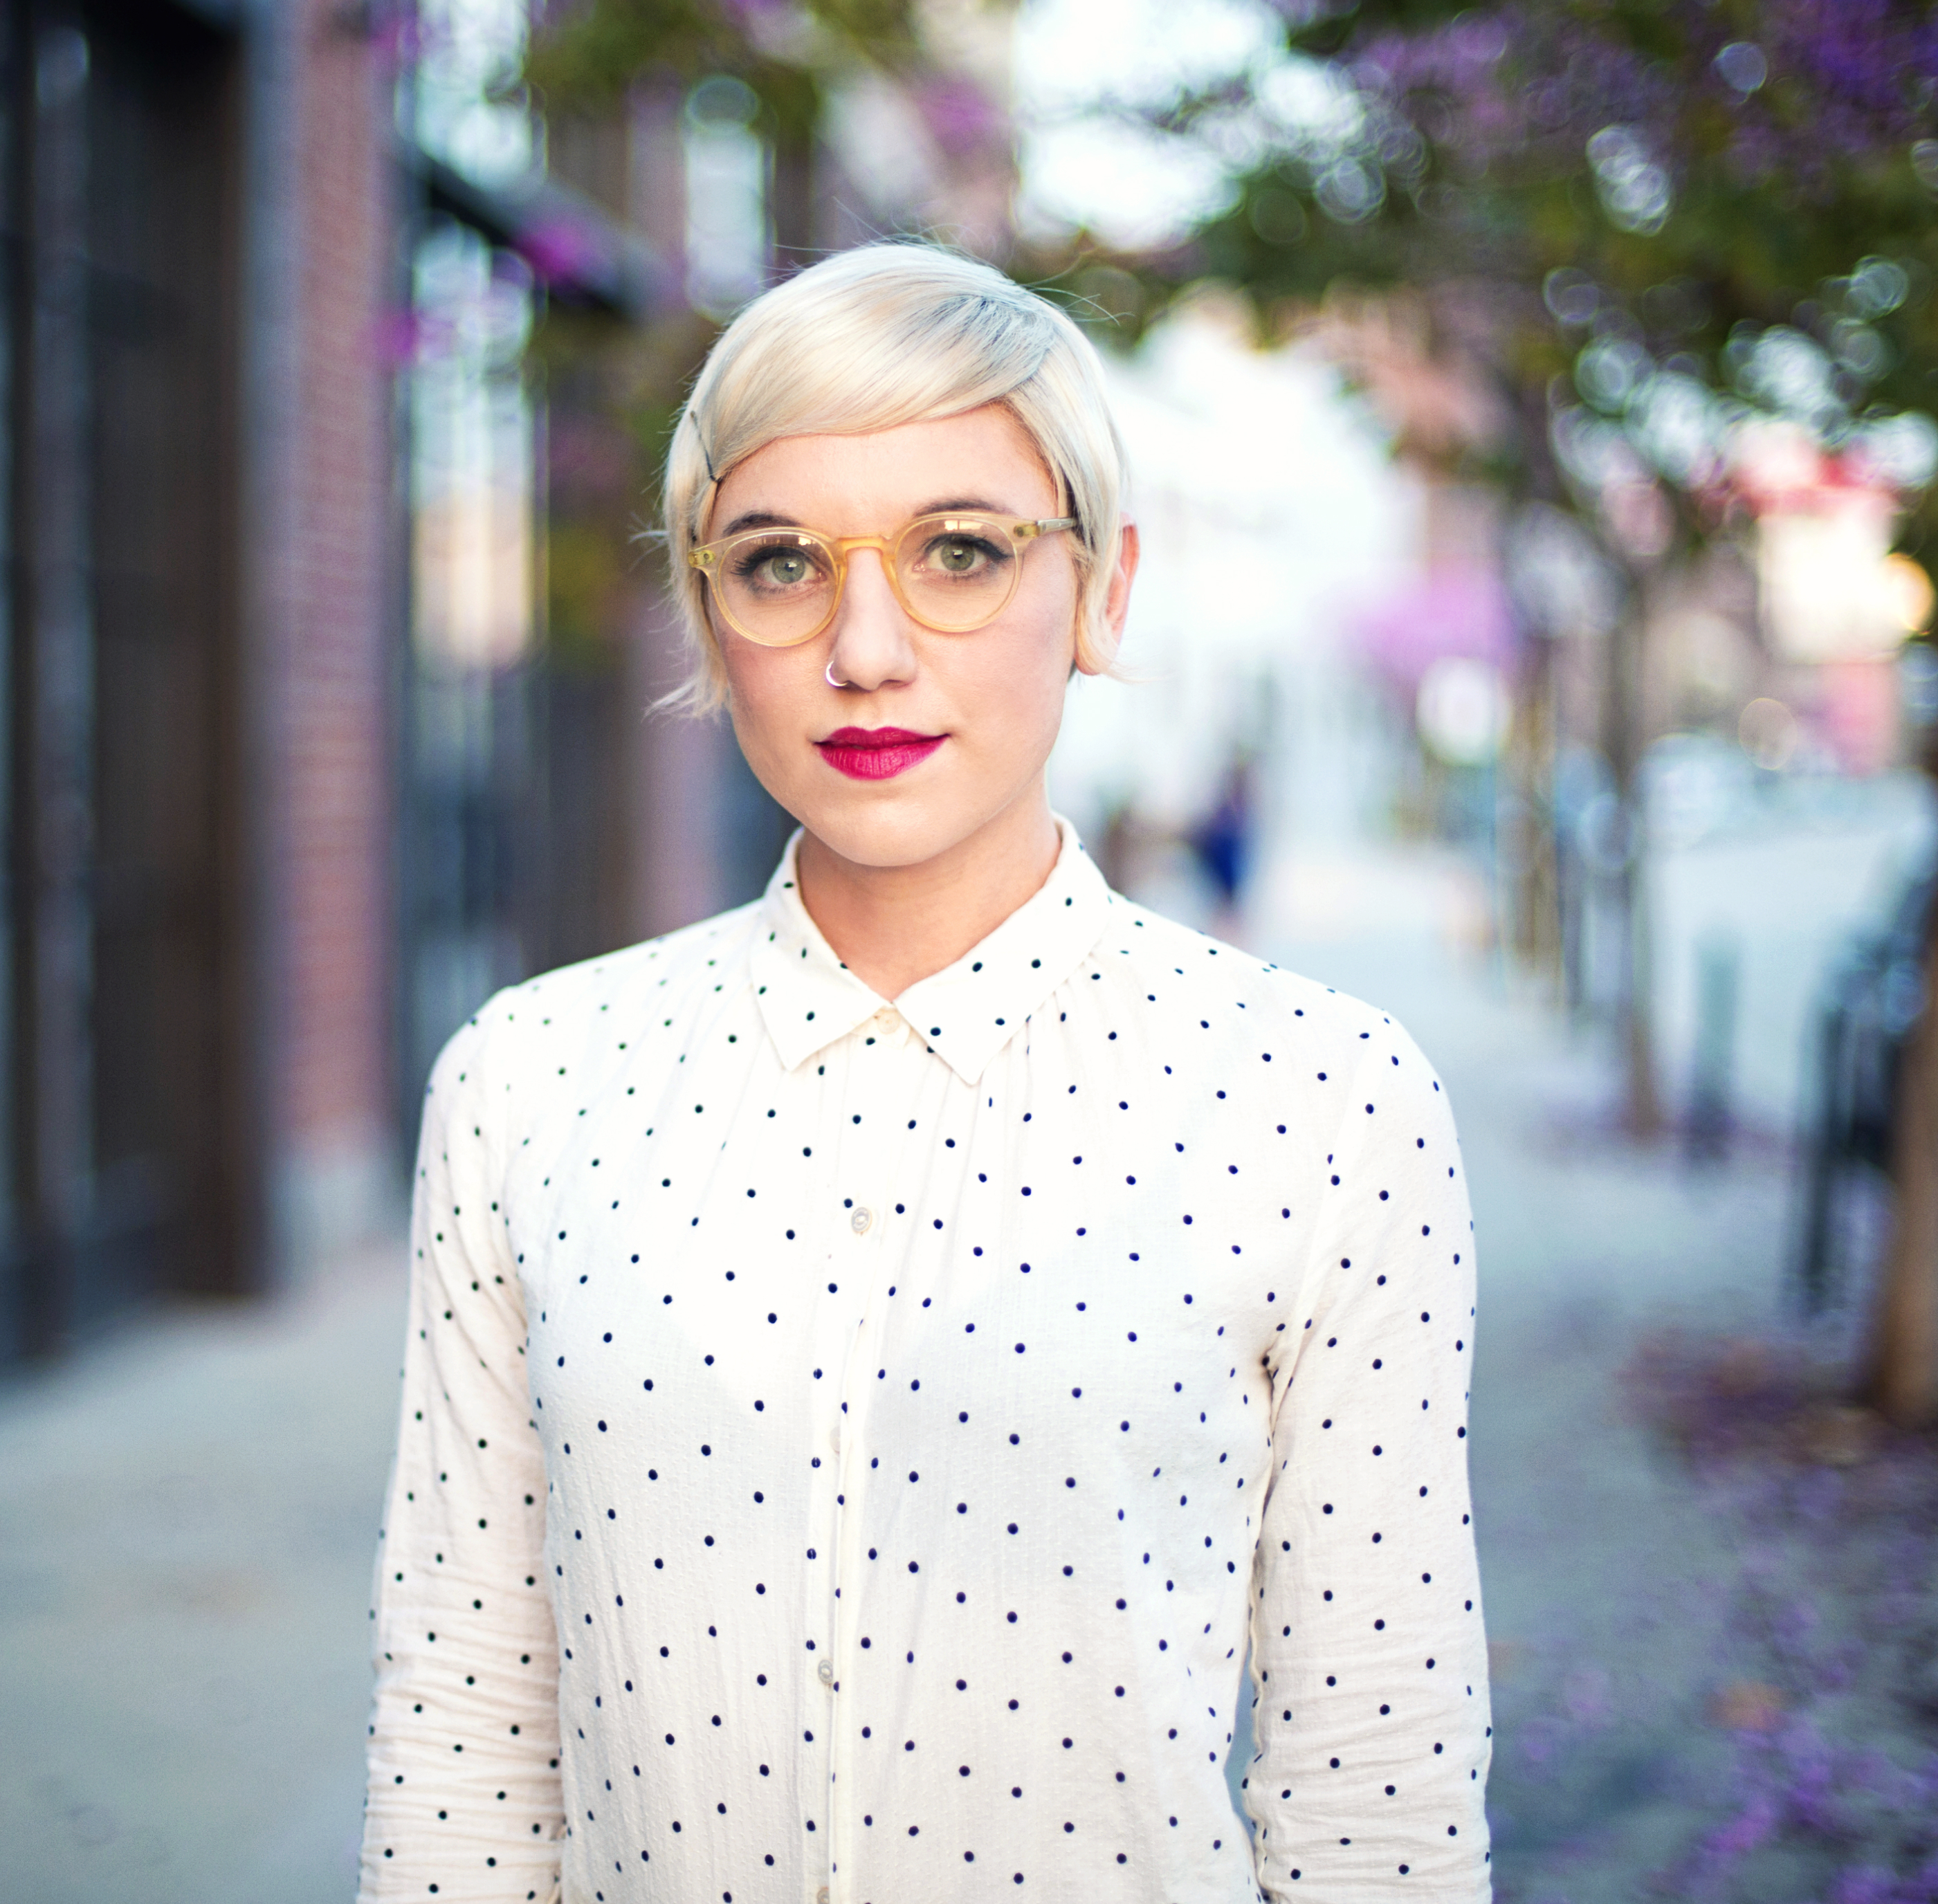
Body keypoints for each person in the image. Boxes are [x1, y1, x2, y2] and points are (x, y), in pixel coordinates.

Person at [359, 241, 1490, 1903]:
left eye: (960, 551)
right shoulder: (529, 1082)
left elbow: (1376, 1787)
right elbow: (463, 1729)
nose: (864, 647)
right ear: (705, 607)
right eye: (777, 563)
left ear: (1103, 589)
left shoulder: (1319, 1099)